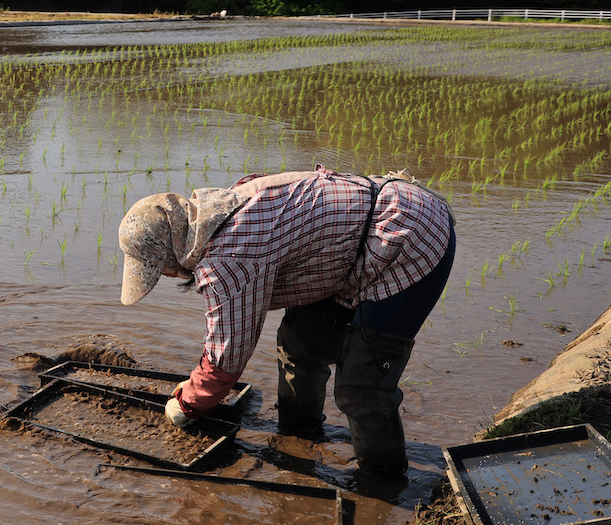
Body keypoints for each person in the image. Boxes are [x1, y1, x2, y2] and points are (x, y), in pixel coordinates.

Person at [117, 166, 455, 478]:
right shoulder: (215, 212)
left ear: (170, 250)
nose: (168, 274)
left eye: (160, 267)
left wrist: (186, 402)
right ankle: (299, 437)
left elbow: (227, 358)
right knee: (299, 343)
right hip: (350, 247)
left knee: (362, 384)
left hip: (409, 236)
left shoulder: (230, 257)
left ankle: (383, 481)